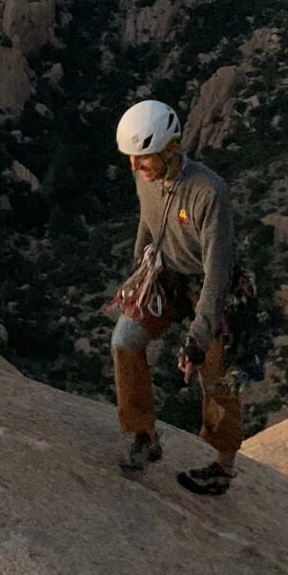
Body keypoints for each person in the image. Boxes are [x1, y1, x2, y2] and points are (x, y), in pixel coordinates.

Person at [108, 99, 243, 496]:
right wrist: (139, 269)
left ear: (170, 150)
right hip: (167, 276)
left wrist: (199, 335)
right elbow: (148, 222)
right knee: (124, 341)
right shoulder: (145, 177)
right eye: (132, 159)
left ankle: (222, 466)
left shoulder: (208, 193)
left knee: (215, 374)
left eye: (143, 159)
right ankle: (142, 435)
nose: (135, 168)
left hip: (211, 286)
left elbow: (217, 271)